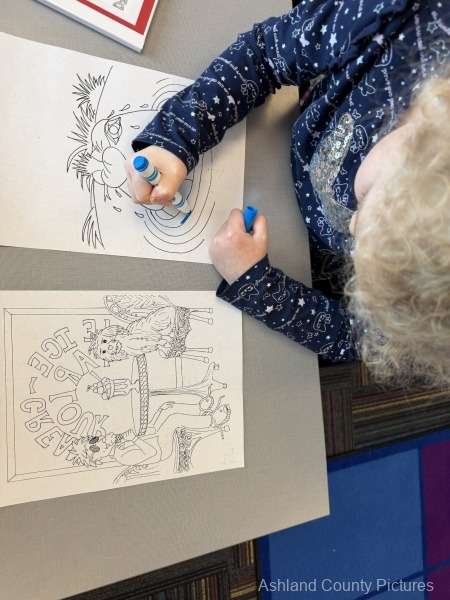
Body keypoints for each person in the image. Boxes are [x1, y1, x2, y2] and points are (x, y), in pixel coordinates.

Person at [125, 0, 450, 388]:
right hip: (283, 161)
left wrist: (259, 285)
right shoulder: (398, 15)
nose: (352, 226)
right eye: (365, 203)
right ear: (430, 113)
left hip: (318, 273)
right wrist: (178, 136)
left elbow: (361, 336)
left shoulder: (430, 322)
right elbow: (265, 53)